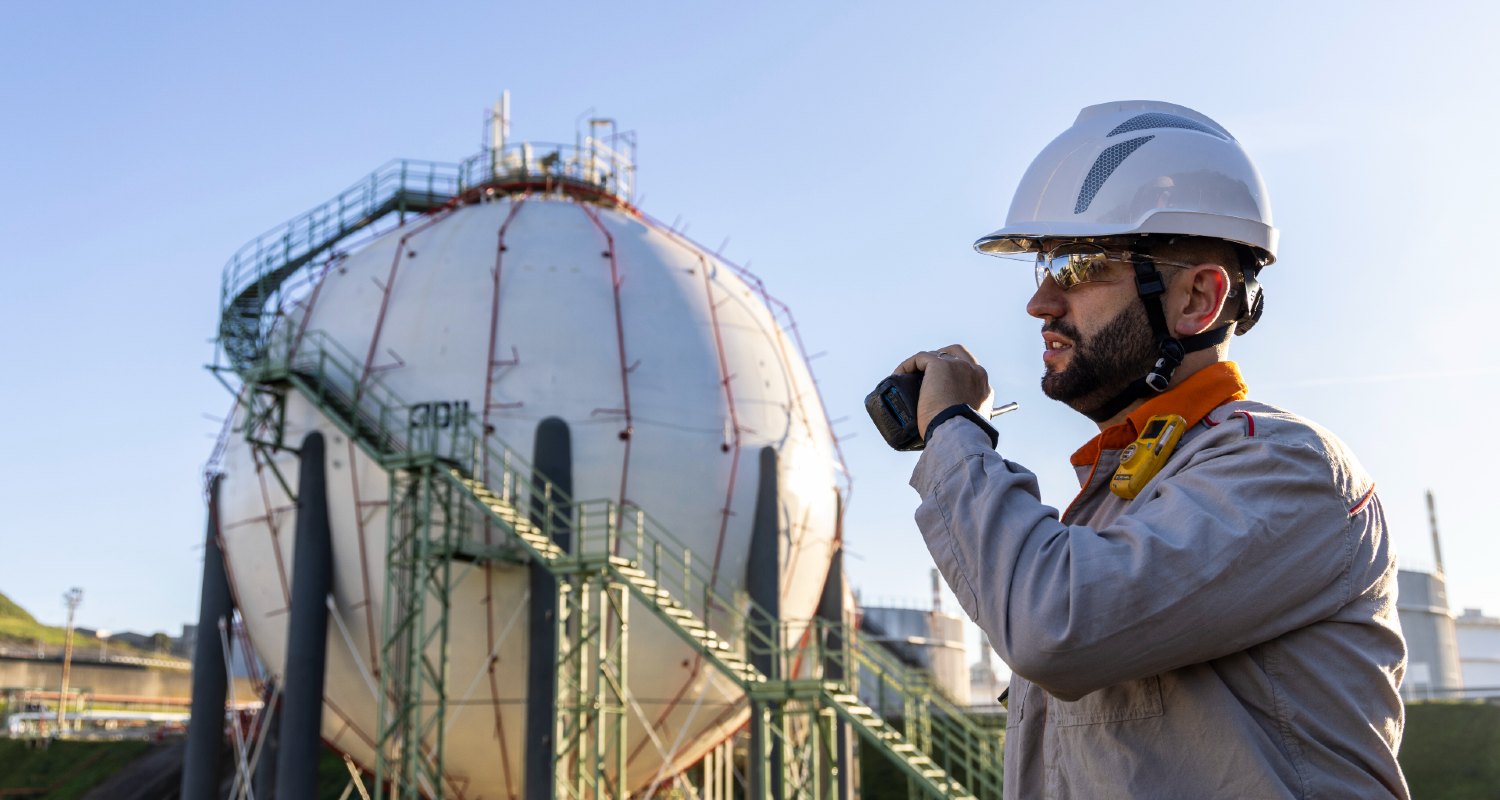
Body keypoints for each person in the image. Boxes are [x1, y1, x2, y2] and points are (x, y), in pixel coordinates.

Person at [896, 101, 1408, 798]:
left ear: (1198, 298)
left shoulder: (1290, 470)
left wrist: (955, 430)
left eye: (1077, 266)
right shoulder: (1123, 494)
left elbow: (1056, 626)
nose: (1041, 303)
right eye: (1044, 265)